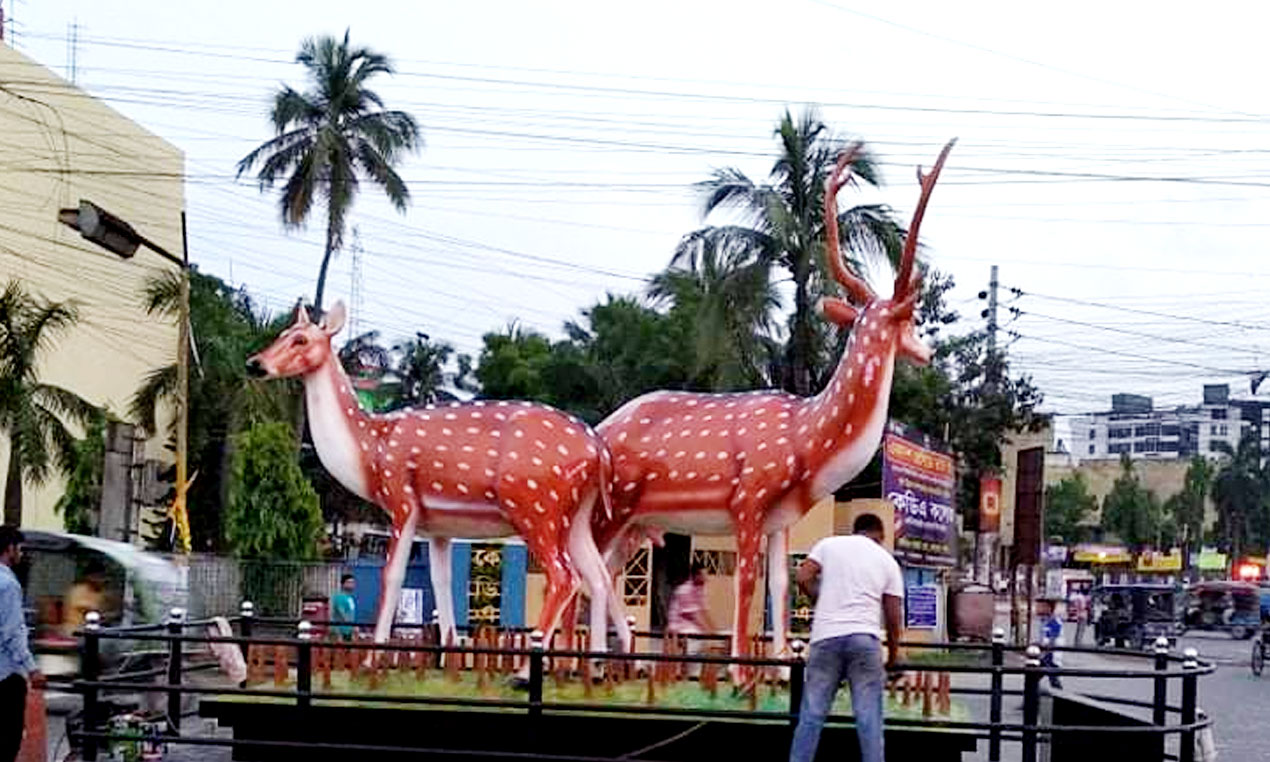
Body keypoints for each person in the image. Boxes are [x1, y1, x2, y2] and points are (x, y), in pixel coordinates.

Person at [789, 513, 904, 762]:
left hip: (826, 637)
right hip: (865, 639)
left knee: (811, 714)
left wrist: (821, 598)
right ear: (880, 535)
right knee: (869, 718)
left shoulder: (829, 545)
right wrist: (894, 655)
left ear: (855, 530)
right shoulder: (887, 560)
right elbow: (893, 617)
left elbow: (803, 577)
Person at [1, 526, 43, 762]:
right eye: (20, 549)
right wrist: (32, 668)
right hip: (5, 674)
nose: (22, 554)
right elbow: (13, 633)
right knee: (8, 738)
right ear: (10, 549)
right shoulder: (8, 585)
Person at [666, 562, 714, 670]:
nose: (706, 578)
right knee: (697, 637)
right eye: (703, 575)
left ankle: (688, 666)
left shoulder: (699, 588)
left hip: (689, 624)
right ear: (695, 576)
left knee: (704, 638)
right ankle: (683, 667)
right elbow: (694, 616)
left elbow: (704, 611)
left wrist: (715, 631)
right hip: (679, 625)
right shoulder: (685, 590)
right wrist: (707, 632)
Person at [1040, 600, 1064, 689]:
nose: (1043, 609)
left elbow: (1053, 638)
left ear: (1050, 608)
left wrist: (1047, 650)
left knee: (1051, 672)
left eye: (1045, 607)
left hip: (1051, 653)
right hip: (1045, 652)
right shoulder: (1046, 621)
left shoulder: (1055, 621)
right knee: (1038, 672)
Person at [331, 574, 357, 641]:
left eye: (353, 582)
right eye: (349, 582)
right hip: (340, 631)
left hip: (348, 631)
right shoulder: (339, 597)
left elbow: (350, 613)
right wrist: (353, 627)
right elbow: (342, 613)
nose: (351, 584)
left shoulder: (350, 598)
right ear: (343, 584)